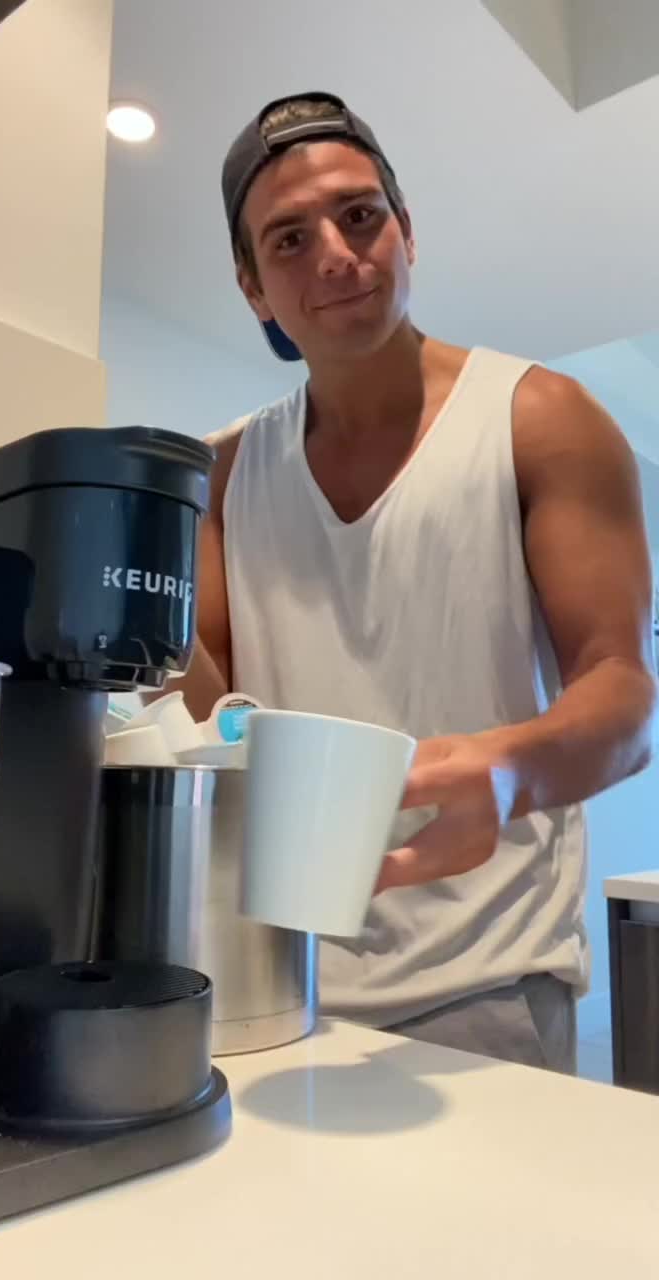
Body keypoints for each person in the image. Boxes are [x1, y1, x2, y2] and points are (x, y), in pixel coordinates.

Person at [173, 92, 657, 1072]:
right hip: (274, 970)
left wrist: (509, 769)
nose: (335, 255)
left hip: (488, 978)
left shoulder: (542, 417)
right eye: (289, 238)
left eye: (359, 216)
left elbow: (624, 693)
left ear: (406, 230)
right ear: (253, 287)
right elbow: (209, 713)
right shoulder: (223, 473)